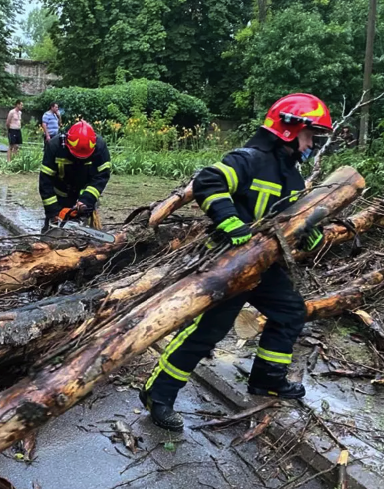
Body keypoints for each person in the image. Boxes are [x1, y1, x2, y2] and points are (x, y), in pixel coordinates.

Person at [139, 93, 333, 432]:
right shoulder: (249, 159)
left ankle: (267, 379)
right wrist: (229, 220)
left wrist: (307, 233)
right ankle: (159, 396)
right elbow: (207, 181)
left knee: (290, 312)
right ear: (290, 128)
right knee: (207, 332)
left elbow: (288, 220)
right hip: (228, 263)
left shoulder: (293, 177)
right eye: (310, 135)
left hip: (263, 267)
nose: (312, 143)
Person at [39, 120, 111, 233]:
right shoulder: (54, 147)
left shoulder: (100, 147)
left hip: (85, 194)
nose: (79, 159)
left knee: (84, 235)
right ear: (67, 143)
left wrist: (87, 199)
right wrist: (53, 211)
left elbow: (101, 176)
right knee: (52, 235)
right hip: (59, 196)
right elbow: (45, 181)